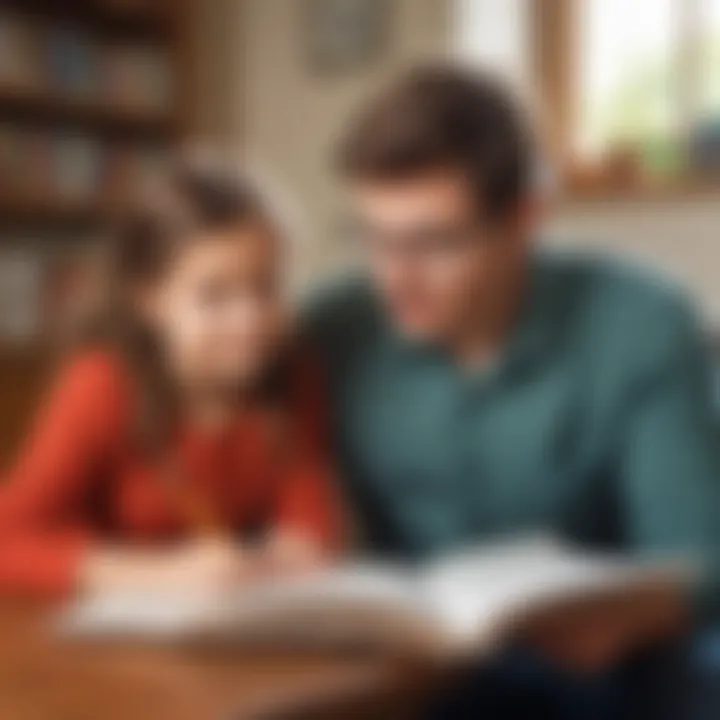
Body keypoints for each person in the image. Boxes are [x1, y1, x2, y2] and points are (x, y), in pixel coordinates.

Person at [304, 65, 720, 718]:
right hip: (425, 665)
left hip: (610, 662)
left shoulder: (645, 322)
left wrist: (633, 618)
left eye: (435, 243)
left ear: (525, 217)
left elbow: (702, 562)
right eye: (373, 238)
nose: (396, 279)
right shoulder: (331, 328)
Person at [0, 161, 342, 598]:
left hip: (236, 625)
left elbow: (310, 520)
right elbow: (7, 538)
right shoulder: (101, 385)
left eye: (267, 286)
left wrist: (297, 553)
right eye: (214, 296)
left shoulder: (295, 372)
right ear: (149, 300)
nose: (251, 319)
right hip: (103, 637)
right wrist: (156, 575)